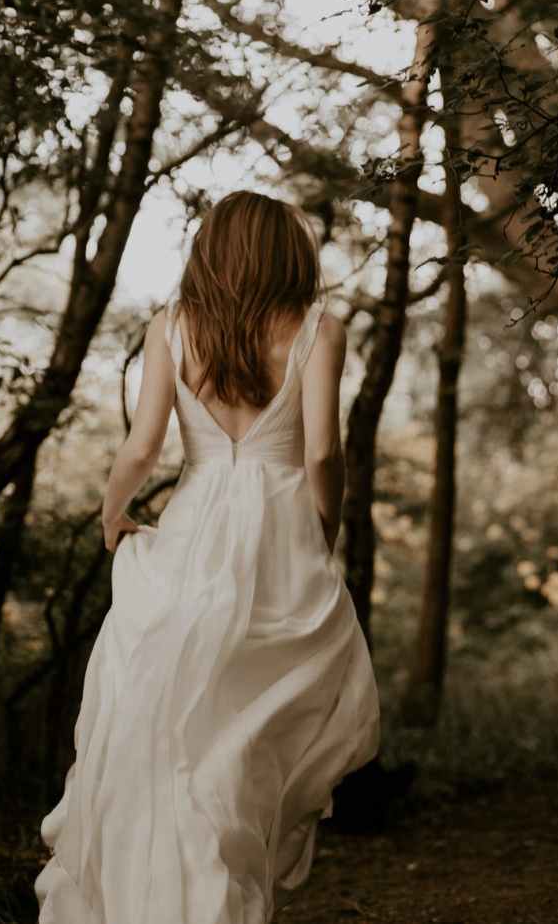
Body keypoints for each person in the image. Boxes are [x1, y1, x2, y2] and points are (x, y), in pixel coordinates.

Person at [34, 190, 380, 924]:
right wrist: (327, 525)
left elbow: (142, 444)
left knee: (169, 720)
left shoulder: (173, 327)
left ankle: (166, 886)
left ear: (213, 252)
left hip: (194, 527)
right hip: (280, 530)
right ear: (287, 251)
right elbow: (321, 451)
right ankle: (225, 877)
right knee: (246, 723)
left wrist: (113, 512)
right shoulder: (322, 330)